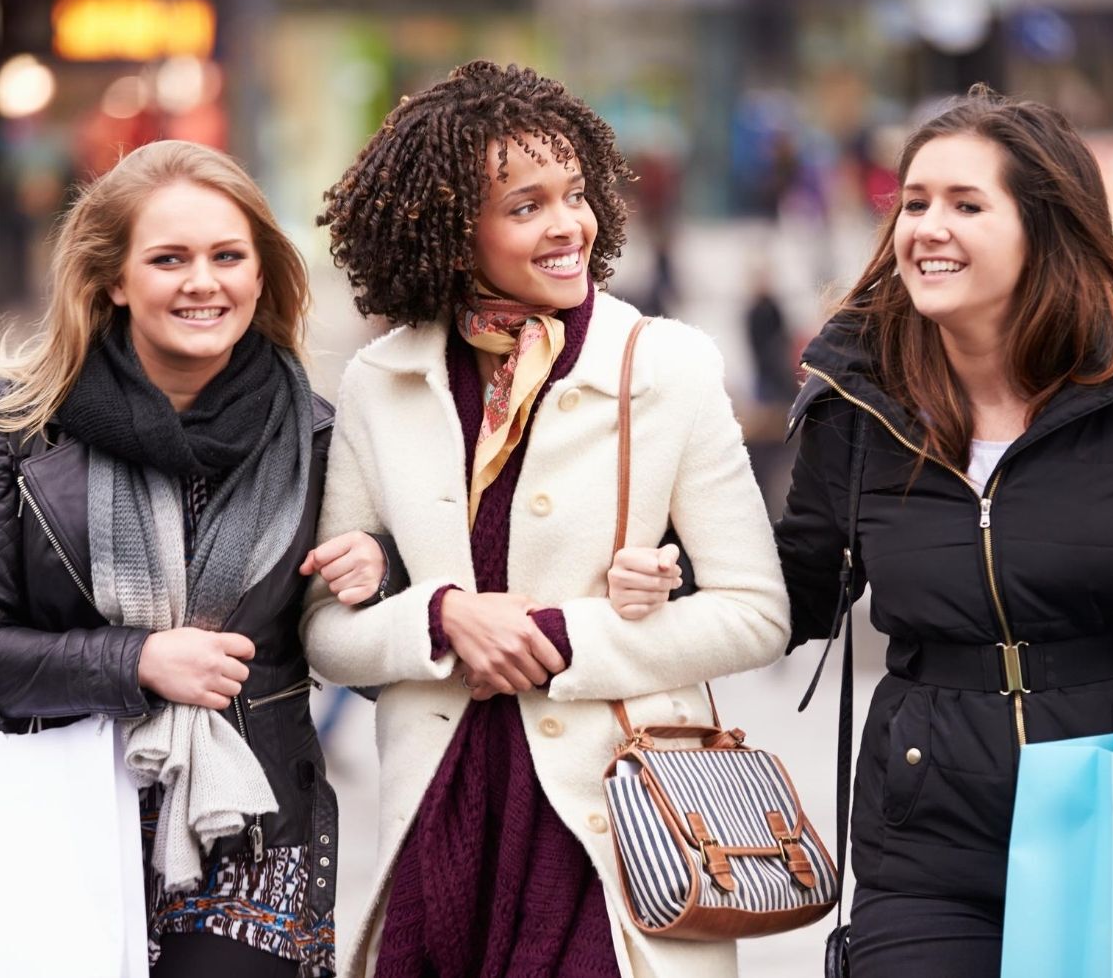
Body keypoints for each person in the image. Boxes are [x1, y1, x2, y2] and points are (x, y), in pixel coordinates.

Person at [774, 85, 1113, 977]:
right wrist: (679, 572)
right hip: (923, 834)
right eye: (915, 202)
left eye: (968, 205)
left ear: (1044, 228)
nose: (929, 227)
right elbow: (797, 589)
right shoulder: (856, 405)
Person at [306, 60, 790, 978]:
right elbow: (327, 632)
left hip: (617, 828)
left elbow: (758, 611)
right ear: (454, 231)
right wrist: (441, 619)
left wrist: (561, 637)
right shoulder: (382, 381)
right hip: (442, 818)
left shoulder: (668, 366)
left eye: (574, 194)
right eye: (526, 206)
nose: (570, 224)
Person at [0, 140, 396, 976]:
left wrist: (379, 570)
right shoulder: (19, 429)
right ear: (115, 279)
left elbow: (371, 664)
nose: (202, 282)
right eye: (169, 258)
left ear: (261, 275)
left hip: (251, 831)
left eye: (227, 256)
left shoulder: (322, 440)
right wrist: (138, 661)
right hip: (54, 818)